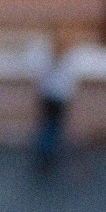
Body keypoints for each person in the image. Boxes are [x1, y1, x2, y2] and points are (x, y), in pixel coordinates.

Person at [30, 32, 75, 179]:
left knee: (47, 126)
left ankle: (44, 154)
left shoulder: (48, 61)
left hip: (48, 98)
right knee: (52, 127)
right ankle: (48, 155)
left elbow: (41, 80)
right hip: (57, 99)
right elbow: (68, 83)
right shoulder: (65, 62)